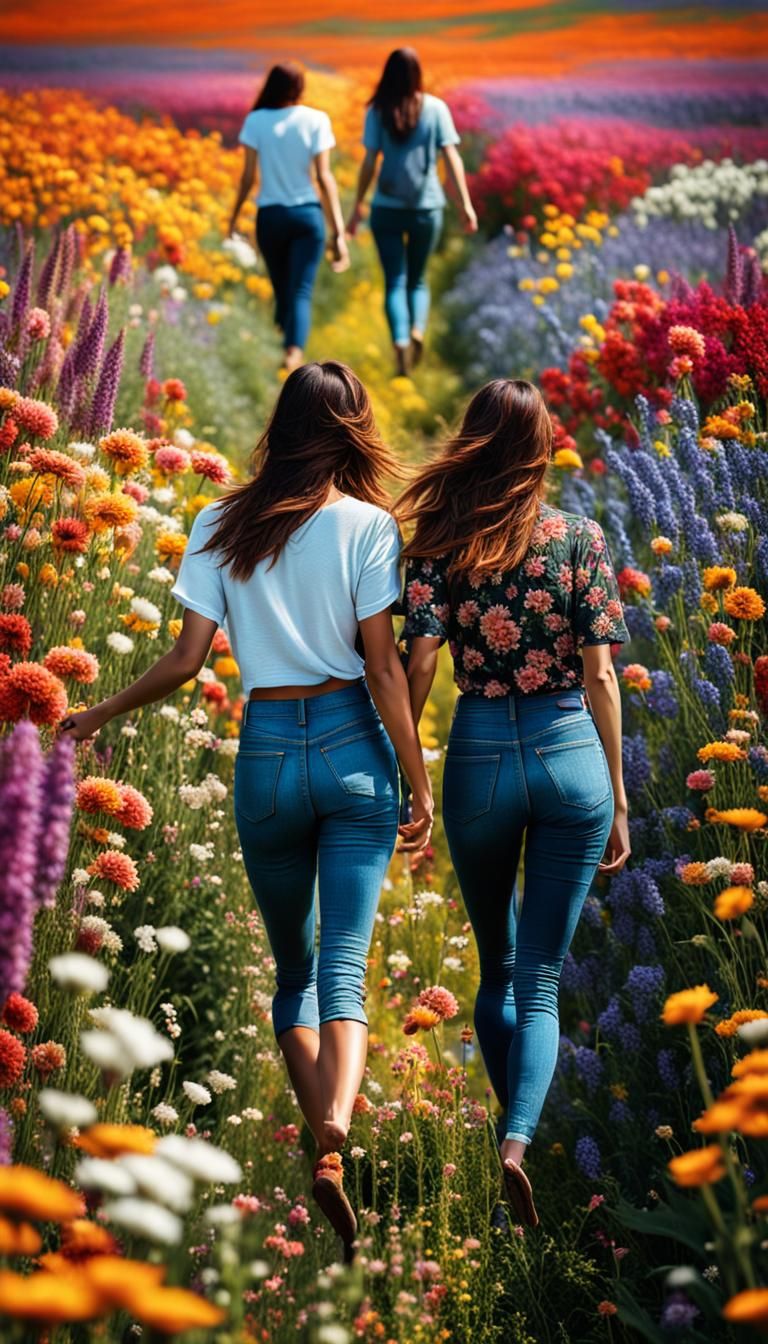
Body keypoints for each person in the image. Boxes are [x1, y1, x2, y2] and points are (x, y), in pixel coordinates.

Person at [60, 361, 434, 1261]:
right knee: (345, 963)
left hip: (266, 754)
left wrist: (101, 710)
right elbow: (385, 668)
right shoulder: (369, 527)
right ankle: (339, 1134)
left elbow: (188, 662)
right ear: (351, 429)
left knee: (293, 972)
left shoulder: (219, 522)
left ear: (282, 424)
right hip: (351, 746)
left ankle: (323, 1140)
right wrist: (418, 782)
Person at [397, 379, 630, 1228]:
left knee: (496, 964)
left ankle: (509, 1119)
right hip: (571, 754)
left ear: (473, 441)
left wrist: (409, 770)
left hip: (483, 755)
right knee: (540, 977)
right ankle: (518, 1143)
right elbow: (602, 674)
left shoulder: (437, 544)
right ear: (540, 447)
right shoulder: (580, 537)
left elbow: (419, 663)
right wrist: (620, 794)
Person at [347, 47, 478, 377]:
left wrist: (357, 206)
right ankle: (418, 328)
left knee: (394, 281)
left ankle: (401, 341)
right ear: (418, 74)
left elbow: (368, 162)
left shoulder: (378, 110)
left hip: (386, 208)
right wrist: (465, 205)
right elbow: (452, 158)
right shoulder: (435, 108)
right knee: (417, 280)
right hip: (426, 207)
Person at [228, 62, 349, 373]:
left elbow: (247, 178)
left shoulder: (256, 121)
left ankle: (286, 334)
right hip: (307, 215)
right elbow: (324, 178)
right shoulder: (316, 119)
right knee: (299, 290)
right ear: (300, 88)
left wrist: (234, 216)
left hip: (270, 216)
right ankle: (293, 350)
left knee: (281, 286)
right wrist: (338, 231)